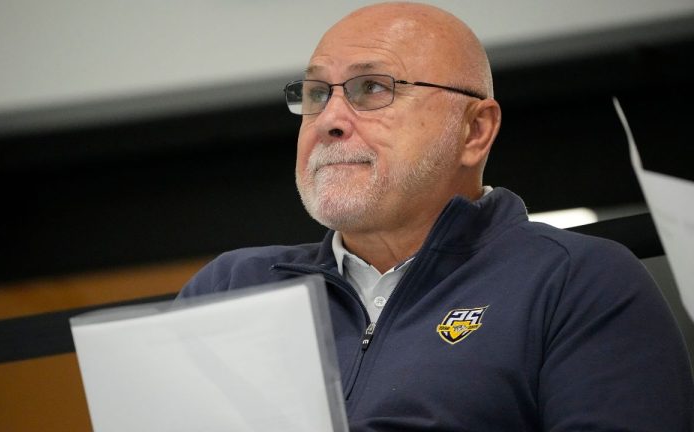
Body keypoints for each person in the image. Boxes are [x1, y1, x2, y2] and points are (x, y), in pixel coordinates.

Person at [179, 2, 693, 430]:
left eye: (372, 89)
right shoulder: (231, 288)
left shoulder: (576, 282)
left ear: (474, 131)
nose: (330, 120)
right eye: (316, 94)